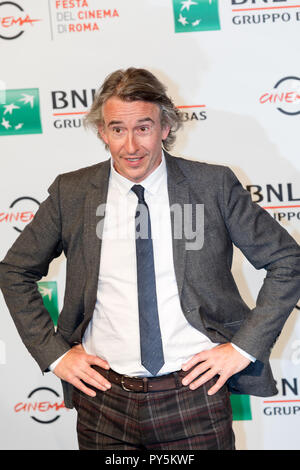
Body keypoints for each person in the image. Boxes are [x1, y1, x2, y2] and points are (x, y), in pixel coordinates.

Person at [0, 68, 299, 451]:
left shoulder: (213, 186)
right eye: (117, 130)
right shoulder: (71, 192)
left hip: (195, 394)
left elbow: (288, 262)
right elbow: (15, 271)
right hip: (103, 397)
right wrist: (55, 356)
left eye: (143, 128)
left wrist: (241, 349)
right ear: (102, 133)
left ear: (166, 127)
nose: (130, 146)